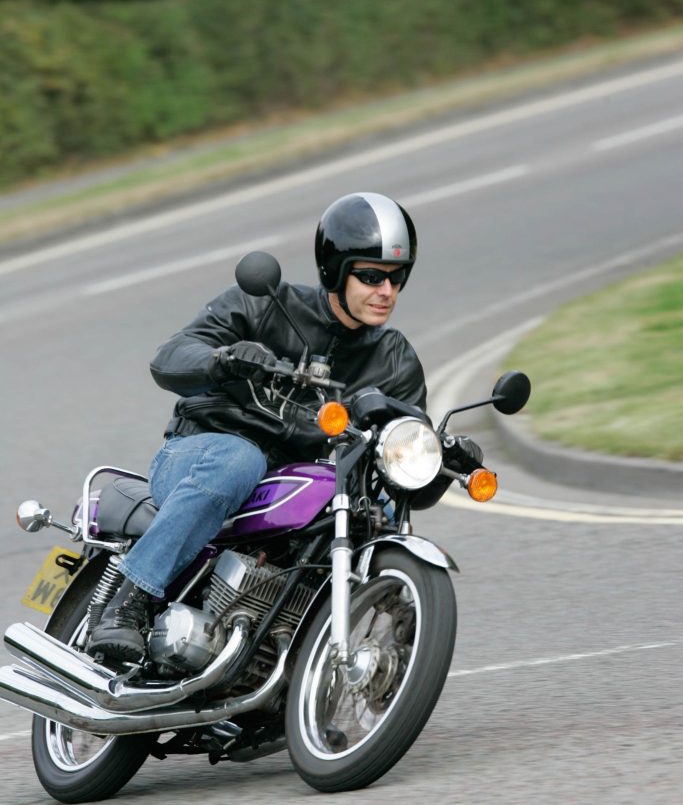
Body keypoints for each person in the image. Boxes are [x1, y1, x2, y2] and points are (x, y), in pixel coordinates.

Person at [88, 192, 478, 664]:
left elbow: (405, 474)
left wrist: (440, 459)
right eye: (371, 276)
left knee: (372, 509)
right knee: (241, 459)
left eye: (397, 279)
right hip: (202, 452)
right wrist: (224, 360)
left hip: (300, 489)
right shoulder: (263, 306)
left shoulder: (394, 360)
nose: (386, 292)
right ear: (336, 271)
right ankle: (127, 603)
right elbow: (167, 360)